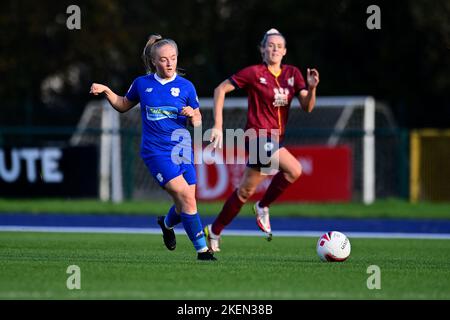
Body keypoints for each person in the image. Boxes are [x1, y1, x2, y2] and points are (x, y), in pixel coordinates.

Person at [90, 34, 216, 261]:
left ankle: (166, 224)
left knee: (185, 202)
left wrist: (192, 116)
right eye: (165, 59)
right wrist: (108, 91)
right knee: (187, 198)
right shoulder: (142, 84)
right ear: (154, 62)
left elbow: (198, 120)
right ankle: (203, 251)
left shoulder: (186, 87)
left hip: (182, 150)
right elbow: (122, 105)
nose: (170, 63)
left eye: (174, 58)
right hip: (155, 151)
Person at [204, 28, 320, 252]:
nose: (274, 49)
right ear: (262, 50)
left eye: (279, 46)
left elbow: (307, 107)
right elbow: (220, 89)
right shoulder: (253, 73)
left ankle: (214, 231)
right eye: (270, 45)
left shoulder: (293, 74)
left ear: (285, 51)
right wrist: (218, 125)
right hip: (256, 136)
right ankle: (263, 206)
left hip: (275, 139)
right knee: (294, 169)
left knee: (244, 191)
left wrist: (312, 88)